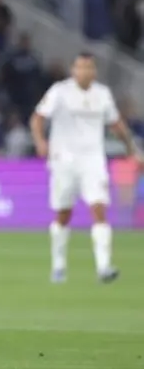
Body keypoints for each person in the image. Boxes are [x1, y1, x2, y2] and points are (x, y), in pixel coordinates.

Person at [30, 52, 143, 283]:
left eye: (89, 67)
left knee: (99, 209)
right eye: (81, 67)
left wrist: (132, 150)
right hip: (63, 160)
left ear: (94, 71)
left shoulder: (102, 94)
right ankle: (59, 265)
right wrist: (41, 141)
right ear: (73, 70)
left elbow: (117, 124)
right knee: (63, 213)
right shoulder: (60, 91)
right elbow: (37, 118)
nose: (85, 71)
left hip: (93, 160)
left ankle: (104, 267)